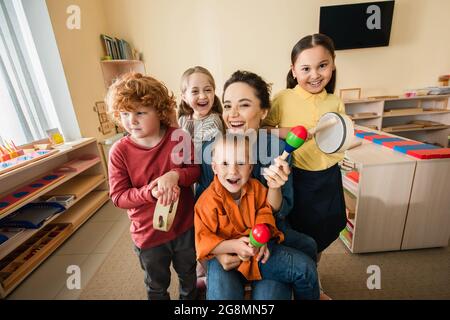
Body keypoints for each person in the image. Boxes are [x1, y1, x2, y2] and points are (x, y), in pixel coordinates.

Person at [196, 70, 318, 299]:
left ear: (263, 111)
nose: (232, 114)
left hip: (267, 238)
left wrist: (275, 187)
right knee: (224, 296)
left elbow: (281, 211)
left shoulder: (278, 150)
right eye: (227, 105)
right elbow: (202, 216)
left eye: (243, 105)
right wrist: (218, 252)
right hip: (225, 240)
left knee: (271, 297)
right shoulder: (210, 151)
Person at [262, 33, 347, 299]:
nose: (315, 74)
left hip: (329, 177)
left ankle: (313, 276)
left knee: (324, 231)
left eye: (322, 65)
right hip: (298, 178)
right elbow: (264, 128)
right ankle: (300, 279)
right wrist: (294, 131)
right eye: (306, 68)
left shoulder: (334, 101)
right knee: (298, 233)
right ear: (293, 70)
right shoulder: (283, 98)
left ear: (332, 65)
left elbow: (338, 135)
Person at [106, 72, 200, 300]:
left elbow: (195, 171)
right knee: (156, 286)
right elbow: (118, 196)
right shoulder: (119, 151)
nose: (131, 120)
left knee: (189, 278)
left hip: (184, 227)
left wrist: (175, 175)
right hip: (148, 235)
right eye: (125, 114)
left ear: (159, 111)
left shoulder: (179, 137)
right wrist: (150, 191)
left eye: (140, 112)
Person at [178, 66, 224, 149]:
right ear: (184, 97)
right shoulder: (182, 120)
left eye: (208, 90)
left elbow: (196, 153)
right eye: (195, 91)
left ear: (214, 92)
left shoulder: (214, 121)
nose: (202, 96)